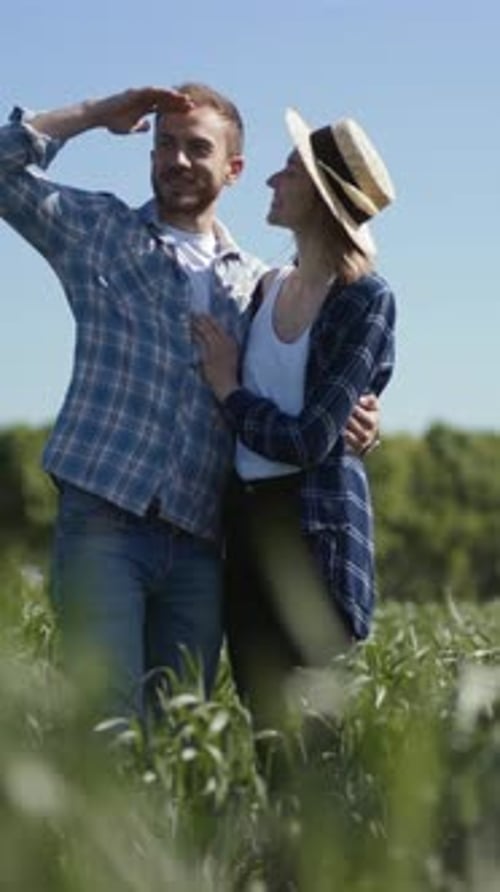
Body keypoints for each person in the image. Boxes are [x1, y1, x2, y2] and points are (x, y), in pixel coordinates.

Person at [0, 85, 379, 720]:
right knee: (112, 723)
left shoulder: (261, 286)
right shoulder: (101, 232)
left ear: (233, 169)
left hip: (202, 540)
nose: (176, 160)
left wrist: (361, 421)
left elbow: (305, 390)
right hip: (103, 522)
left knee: (182, 732)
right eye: (164, 145)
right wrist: (96, 114)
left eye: (196, 148)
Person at [193, 107, 396, 730]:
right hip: (248, 527)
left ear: (322, 199)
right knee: (265, 734)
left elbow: (311, 438)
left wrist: (228, 390)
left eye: (288, 173)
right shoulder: (266, 288)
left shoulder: (365, 298)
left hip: (316, 534)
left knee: (314, 741)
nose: (271, 184)